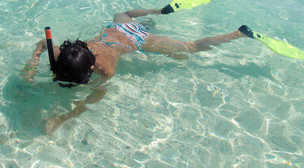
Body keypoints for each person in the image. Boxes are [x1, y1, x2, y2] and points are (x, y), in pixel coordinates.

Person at [23, 8, 246, 134]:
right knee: (123, 13)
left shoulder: (106, 69)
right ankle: (158, 12)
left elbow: (94, 97)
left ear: (93, 68)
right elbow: (43, 42)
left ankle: (238, 33)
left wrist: (64, 117)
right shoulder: (67, 54)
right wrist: (31, 68)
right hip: (119, 26)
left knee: (190, 47)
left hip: (135, 38)